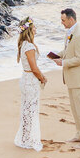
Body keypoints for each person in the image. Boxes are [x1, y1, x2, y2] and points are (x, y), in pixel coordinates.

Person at [52, 7, 80, 148]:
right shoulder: (70, 33)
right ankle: (79, 134)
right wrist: (58, 55)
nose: (62, 23)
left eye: (63, 20)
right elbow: (68, 50)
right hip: (71, 79)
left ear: (71, 19)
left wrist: (63, 63)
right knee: (75, 109)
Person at [14, 18, 47, 151]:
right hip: (30, 81)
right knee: (31, 110)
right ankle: (28, 139)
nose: (36, 30)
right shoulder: (30, 46)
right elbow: (34, 68)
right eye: (34, 28)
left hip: (25, 78)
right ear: (29, 30)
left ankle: (25, 137)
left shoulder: (23, 45)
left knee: (26, 109)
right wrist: (42, 78)